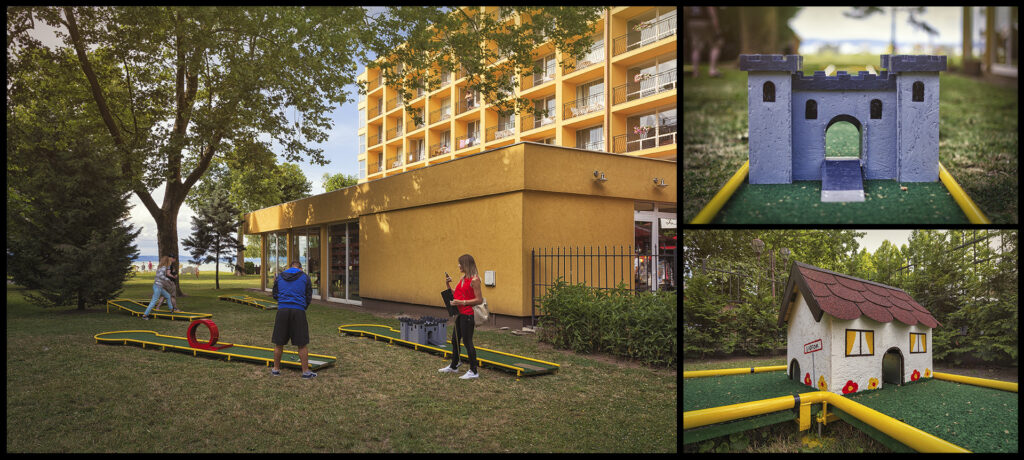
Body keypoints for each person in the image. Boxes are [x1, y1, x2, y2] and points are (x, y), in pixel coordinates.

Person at [439, 254, 483, 379]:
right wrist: (448, 285)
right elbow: (457, 294)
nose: (458, 266)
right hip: (460, 314)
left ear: (466, 265)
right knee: (454, 340)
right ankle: (454, 365)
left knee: (468, 342)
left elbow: (479, 300)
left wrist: (462, 302)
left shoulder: (475, 280)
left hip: (468, 315)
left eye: (460, 263)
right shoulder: (463, 278)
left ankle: (474, 371)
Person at [270, 261, 316, 379]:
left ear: (290, 266)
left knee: (279, 343)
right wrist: (302, 307)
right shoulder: (305, 277)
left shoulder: (280, 276)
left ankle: (275, 369)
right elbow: (308, 296)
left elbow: (275, 294)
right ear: (300, 268)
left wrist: (283, 302)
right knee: (302, 344)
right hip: (298, 312)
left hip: (282, 311)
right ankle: (305, 372)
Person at [684, 6, 723, 78]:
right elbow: (712, 12)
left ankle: (695, 72)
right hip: (705, 21)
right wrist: (717, 29)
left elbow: (686, 10)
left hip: (692, 22)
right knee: (716, 44)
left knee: (695, 48)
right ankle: (712, 70)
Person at [142, 255, 178, 319]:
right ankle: (145, 315)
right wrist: (168, 279)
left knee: (167, 296)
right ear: (167, 261)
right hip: (158, 286)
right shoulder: (164, 267)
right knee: (154, 301)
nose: (171, 262)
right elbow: (160, 276)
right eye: (169, 261)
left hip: (158, 286)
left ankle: (171, 309)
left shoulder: (161, 267)